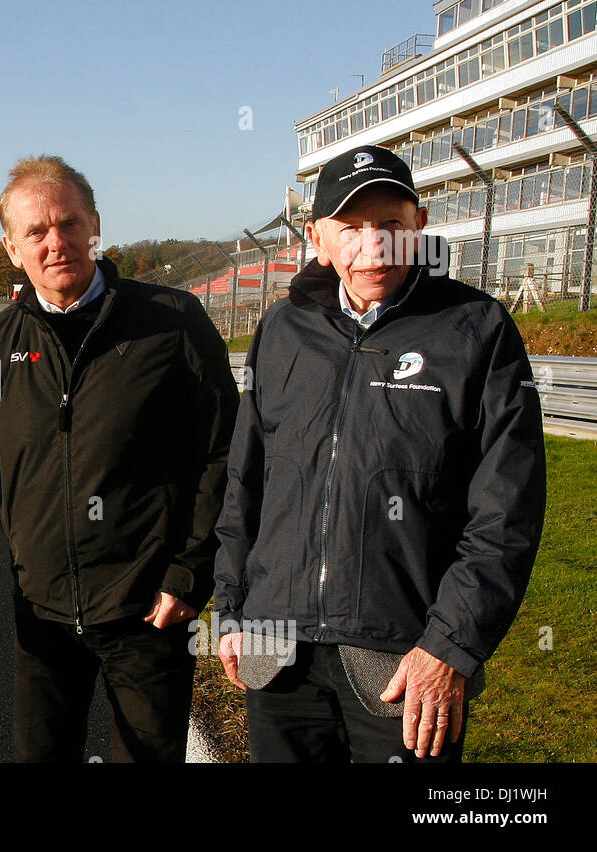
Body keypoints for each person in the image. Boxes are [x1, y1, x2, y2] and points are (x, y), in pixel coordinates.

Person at [0, 155, 239, 762]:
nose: (56, 243)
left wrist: (190, 573)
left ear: (95, 226)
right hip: (40, 613)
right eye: (36, 232)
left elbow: (223, 455)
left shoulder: (172, 323)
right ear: (12, 248)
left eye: (69, 224)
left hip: (149, 612)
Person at [212, 145, 546, 763]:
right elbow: (246, 481)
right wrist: (231, 609)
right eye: (350, 228)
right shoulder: (283, 329)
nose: (374, 246)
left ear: (418, 225)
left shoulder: (476, 329)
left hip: (403, 663)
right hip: (276, 650)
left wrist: (449, 646)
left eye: (390, 226)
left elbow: (508, 511)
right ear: (317, 238)